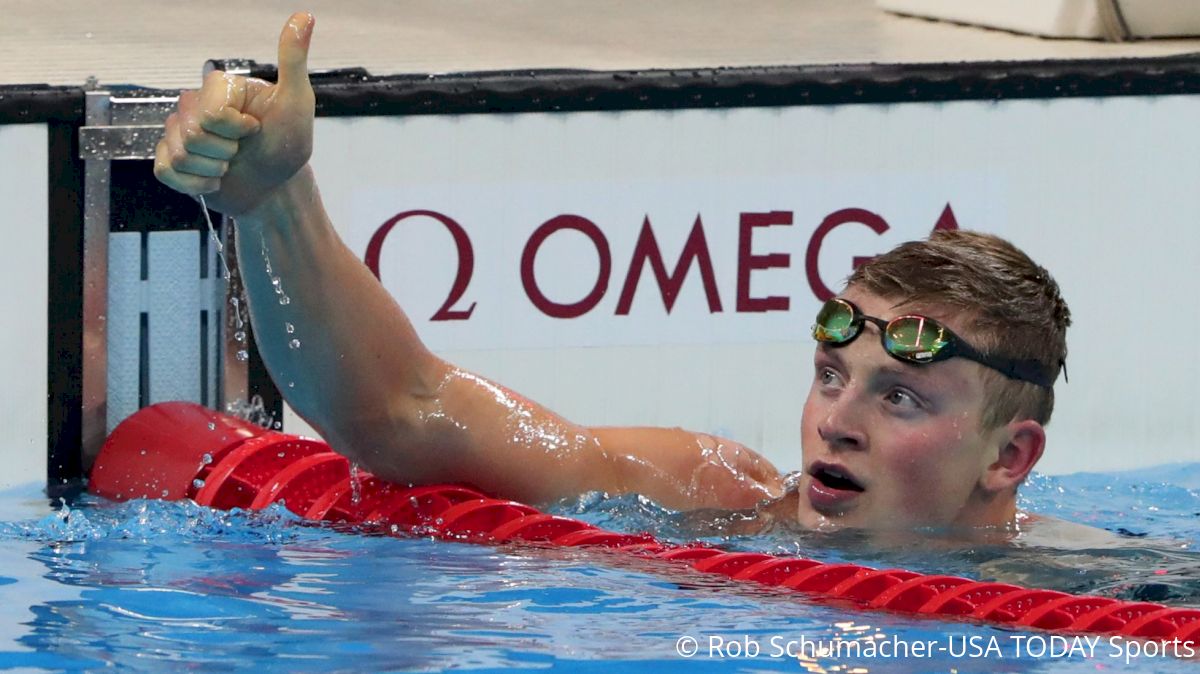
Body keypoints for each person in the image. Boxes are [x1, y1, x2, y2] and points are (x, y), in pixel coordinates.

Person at [153, 13, 1069, 532]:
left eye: (899, 397)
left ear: (1012, 456)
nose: (837, 421)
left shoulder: (1108, 592)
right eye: (832, 377)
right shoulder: (713, 498)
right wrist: (277, 202)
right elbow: (406, 412)